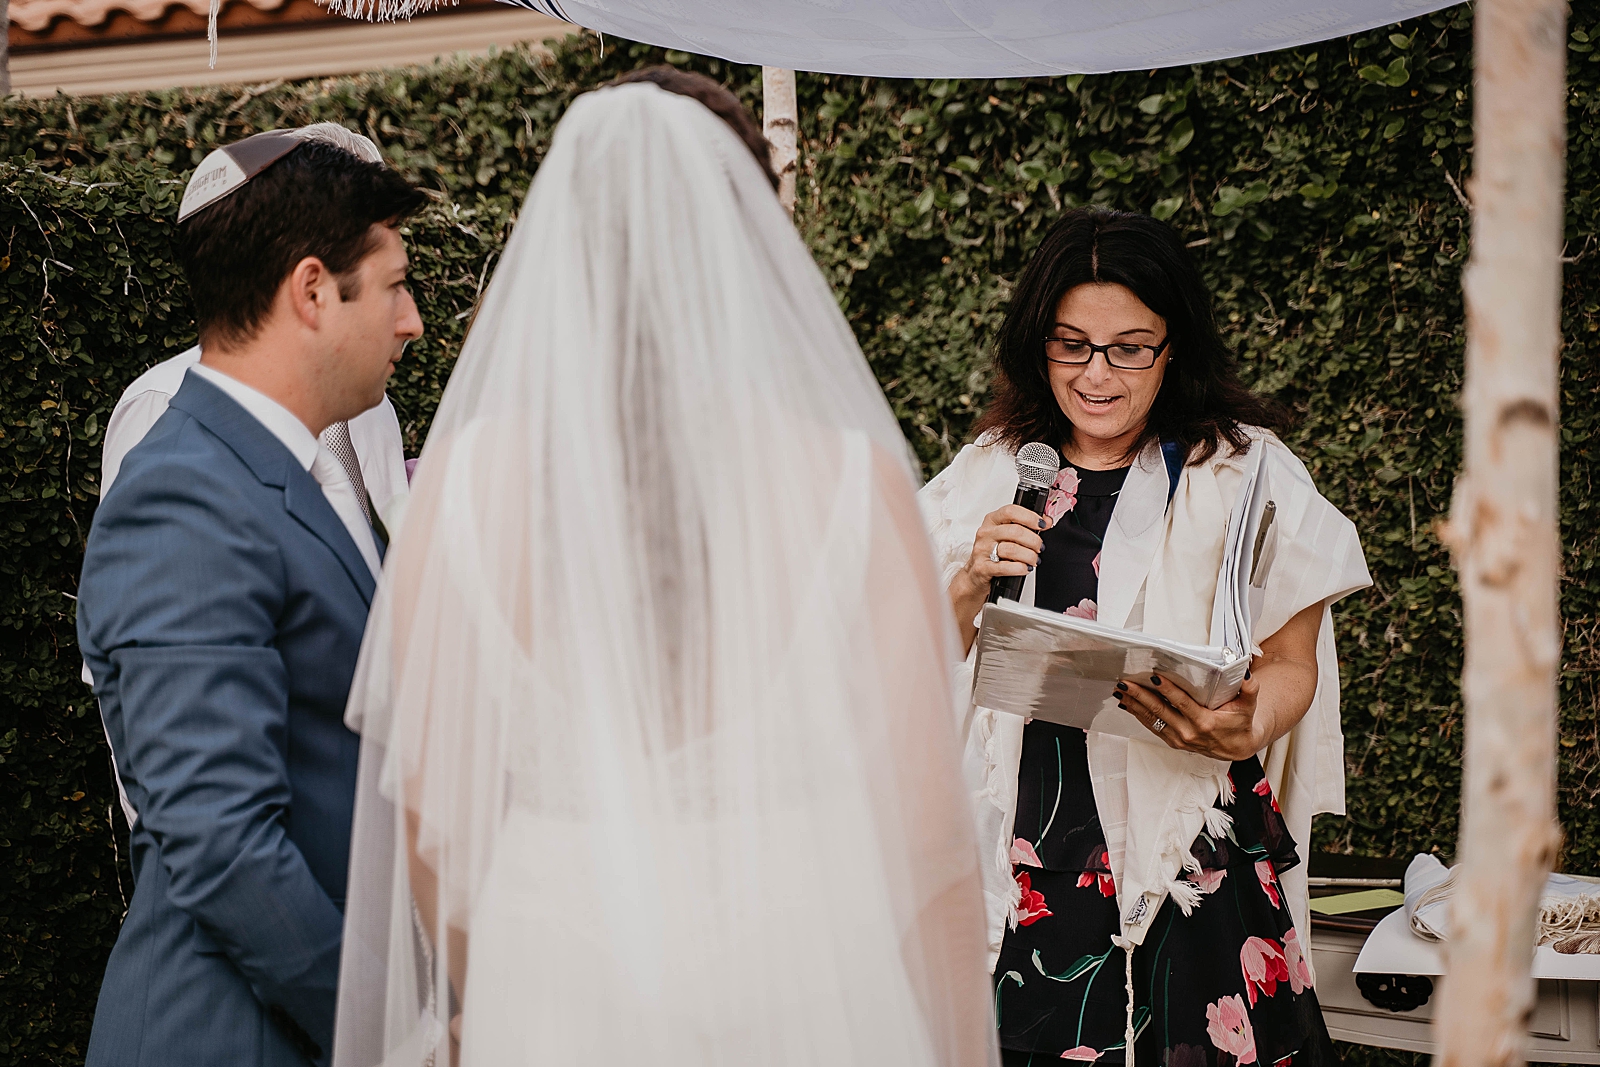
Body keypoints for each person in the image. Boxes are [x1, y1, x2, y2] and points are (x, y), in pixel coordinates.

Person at [331, 81, 997, 1067]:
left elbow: (432, 823)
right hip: (805, 975)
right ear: (757, 237)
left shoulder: (463, 489)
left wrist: (502, 985)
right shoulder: (851, 483)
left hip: (555, 978)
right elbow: (926, 838)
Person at [919, 208, 1371, 1067]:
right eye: (1070, 344)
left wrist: (1248, 723)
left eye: (1129, 347)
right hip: (1030, 857)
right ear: (1035, 344)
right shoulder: (988, 471)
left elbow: (1289, 663)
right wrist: (969, 582)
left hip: (1189, 850)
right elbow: (906, 656)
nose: (1096, 374)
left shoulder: (1248, 473)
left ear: (1174, 348)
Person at [76, 130, 426, 1067]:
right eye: (394, 285)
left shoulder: (285, 466)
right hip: (231, 1034)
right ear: (312, 291)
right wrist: (399, 1034)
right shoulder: (180, 492)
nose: (413, 321)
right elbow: (222, 840)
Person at [86, 123, 412, 833]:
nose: (407, 317)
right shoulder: (163, 411)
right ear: (310, 279)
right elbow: (151, 703)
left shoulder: (374, 408)